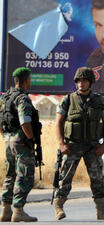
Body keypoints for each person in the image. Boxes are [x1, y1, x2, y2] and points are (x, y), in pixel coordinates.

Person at [54, 67, 104, 220]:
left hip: (92, 146)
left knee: (97, 178)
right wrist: (61, 144)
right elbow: (58, 122)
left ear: (90, 82)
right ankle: (58, 206)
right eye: (79, 80)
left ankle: (101, 210)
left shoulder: (99, 100)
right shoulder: (67, 100)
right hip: (72, 146)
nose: (81, 83)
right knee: (65, 178)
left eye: (84, 80)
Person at [0, 67, 40, 222]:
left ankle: (6, 210)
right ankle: (18, 210)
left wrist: (6, 137)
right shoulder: (22, 98)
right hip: (21, 141)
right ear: (25, 80)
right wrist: (31, 139)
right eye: (29, 78)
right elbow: (25, 121)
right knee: (24, 175)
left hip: (8, 140)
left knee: (10, 174)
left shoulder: (5, 97)